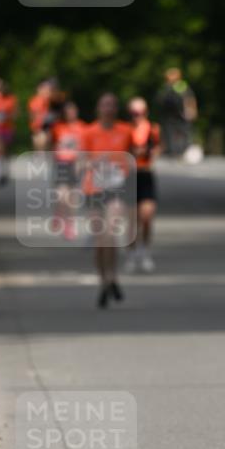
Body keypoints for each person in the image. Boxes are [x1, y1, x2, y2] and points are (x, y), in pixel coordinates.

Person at [82, 93, 134, 308]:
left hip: (116, 189)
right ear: (98, 109)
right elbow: (80, 162)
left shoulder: (125, 131)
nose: (108, 109)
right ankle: (103, 280)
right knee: (99, 241)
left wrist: (125, 170)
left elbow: (131, 159)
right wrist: (94, 164)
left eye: (112, 105)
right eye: (105, 105)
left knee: (110, 234)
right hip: (93, 189)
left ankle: (112, 276)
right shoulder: (89, 132)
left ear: (116, 109)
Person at [124, 97, 161, 272]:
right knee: (132, 220)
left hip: (146, 174)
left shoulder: (152, 129)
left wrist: (151, 153)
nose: (136, 116)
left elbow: (157, 149)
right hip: (130, 176)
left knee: (146, 216)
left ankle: (145, 251)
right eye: (133, 113)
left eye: (139, 113)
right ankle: (131, 253)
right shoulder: (125, 130)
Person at [49, 100, 87, 240]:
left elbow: (84, 148)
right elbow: (52, 144)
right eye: (68, 111)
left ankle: (69, 224)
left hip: (75, 164)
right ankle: (58, 214)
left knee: (72, 198)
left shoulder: (82, 127)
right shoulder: (58, 127)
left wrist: (82, 163)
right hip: (61, 164)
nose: (71, 113)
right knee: (61, 196)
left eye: (73, 110)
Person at [156, 67, 197, 157]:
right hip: (168, 116)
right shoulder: (166, 87)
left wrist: (192, 111)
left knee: (185, 134)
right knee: (168, 133)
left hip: (182, 116)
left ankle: (185, 151)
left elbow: (189, 98)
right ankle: (171, 152)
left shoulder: (182, 86)